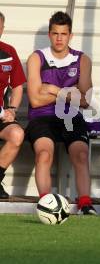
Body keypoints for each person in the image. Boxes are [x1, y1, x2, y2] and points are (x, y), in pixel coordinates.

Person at [26, 11, 96, 214]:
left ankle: (85, 204)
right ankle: (46, 205)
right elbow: (35, 100)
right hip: (43, 117)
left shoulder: (82, 60)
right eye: (55, 33)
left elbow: (84, 100)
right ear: (49, 35)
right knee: (44, 154)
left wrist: (54, 90)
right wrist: (70, 93)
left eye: (63, 34)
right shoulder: (37, 58)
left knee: (81, 155)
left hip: (70, 116)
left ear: (70, 36)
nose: (59, 38)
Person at [0, 11, 26, 199]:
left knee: (17, 134)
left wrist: (12, 109)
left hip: (0, 115)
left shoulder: (9, 52)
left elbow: (17, 87)